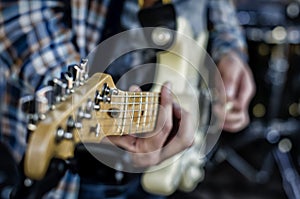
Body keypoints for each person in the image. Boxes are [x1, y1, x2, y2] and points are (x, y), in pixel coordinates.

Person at [0, 0, 255, 198]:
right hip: (80, 161)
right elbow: (21, 14)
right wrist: (68, 82)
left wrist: (230, 49)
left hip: (167, 158)